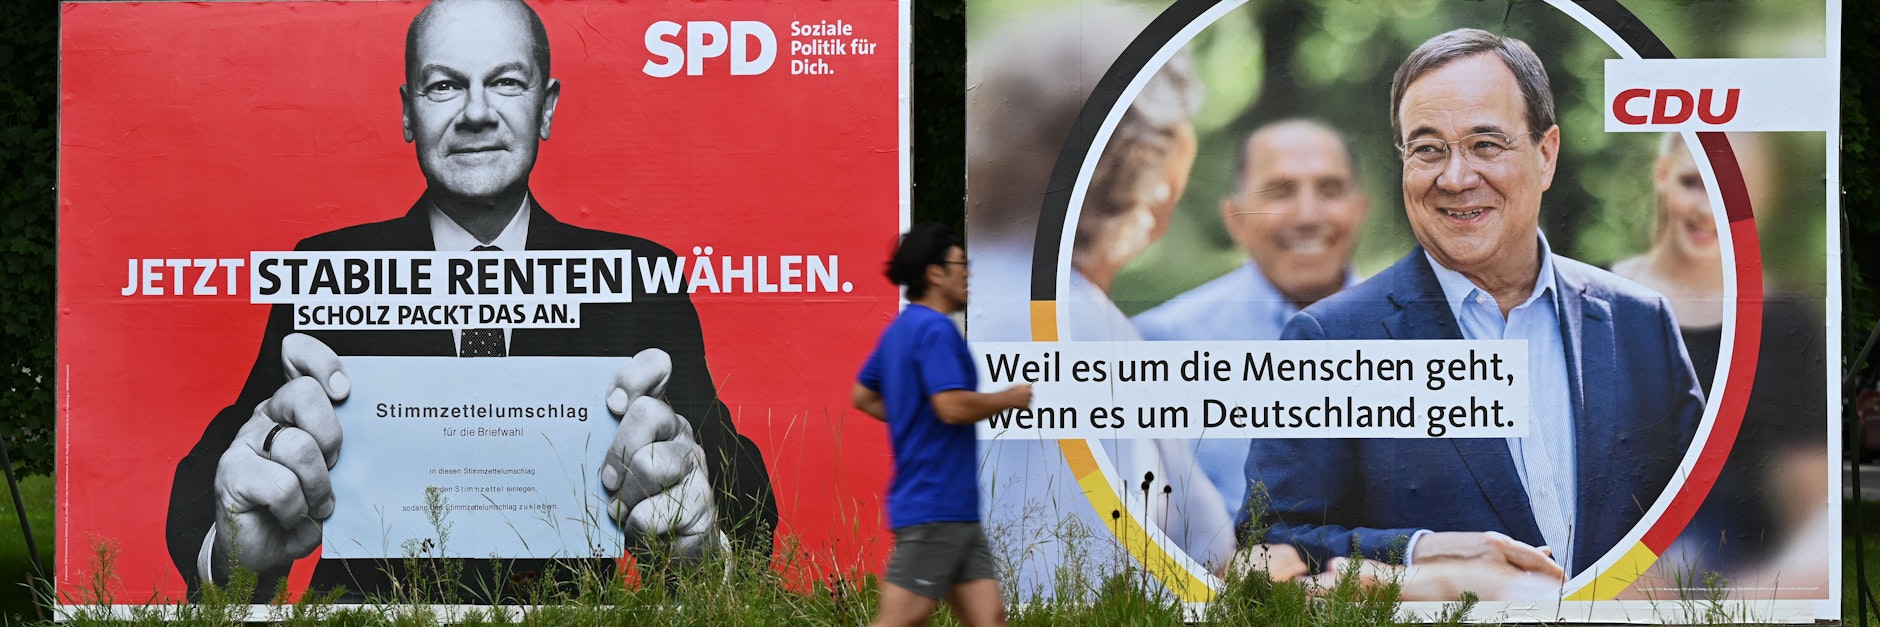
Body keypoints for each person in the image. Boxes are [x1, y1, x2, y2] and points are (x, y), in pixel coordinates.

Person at [164, 0, 776, 601]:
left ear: (548, 107)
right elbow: (207, 492)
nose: (477, 113)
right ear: (408, 113)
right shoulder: (327, 270)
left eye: (506, 82)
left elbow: (750, 509)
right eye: (444, 86)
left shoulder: (640, 278)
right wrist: (233, 558)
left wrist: (702, 539)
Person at [1241, 28, 1705, 598]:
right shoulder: (1330, 338)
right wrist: (1419, 551)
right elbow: (1269, 545)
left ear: (1546, 154)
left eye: (1486, 144)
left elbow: (1708, 517)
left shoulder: (1641, 323)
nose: (1455, 178)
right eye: (1428, 148)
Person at [851, 223, 1033, 627]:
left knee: (989, 619)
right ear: (935, 273)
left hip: (955, 511)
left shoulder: (900, 330)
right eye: (960, 265)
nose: (967, 273)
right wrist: (1008, 399)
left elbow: (862, 396)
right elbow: (950, 407)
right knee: (903, 618)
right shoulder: (935, 331)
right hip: (935, 505)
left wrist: (912, 413)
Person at [1133, 119, 1369, 343]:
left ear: (1359, 210)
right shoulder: (1164, 341)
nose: (1307, 216)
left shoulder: (1404, 331)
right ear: (1237, 220)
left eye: (1330, 190)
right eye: (1280, 192)